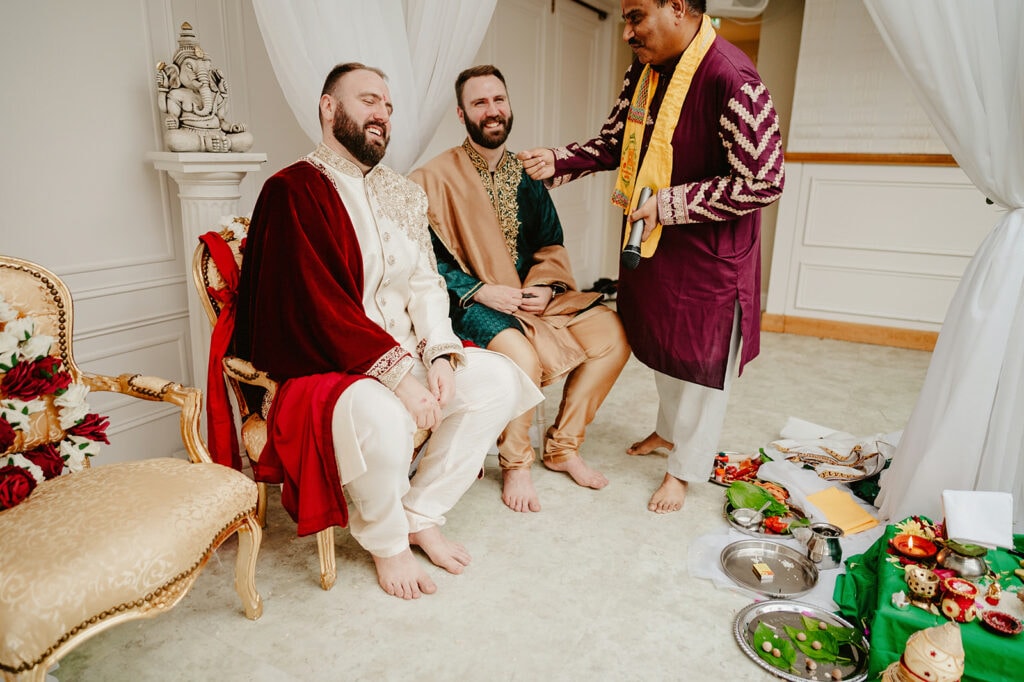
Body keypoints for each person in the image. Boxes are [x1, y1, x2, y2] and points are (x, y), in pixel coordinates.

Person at [232, 63, 542, 599]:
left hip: (404, 351)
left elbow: (425, 284)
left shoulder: (403, 193)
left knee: (498, 380)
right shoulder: (292, 190)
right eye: (369, 101)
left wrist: (441, 354)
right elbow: (313, 302)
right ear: (329, 108)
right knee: (382, 417)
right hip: (333, 362)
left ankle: (421, 512)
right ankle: (388, 542)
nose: (382, 115)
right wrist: (401, 378)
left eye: (389, 106)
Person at [518, 0, 785, 514]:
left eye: (636, 16)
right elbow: (618, 141)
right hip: (654, 244)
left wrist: (668, 204)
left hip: (710, 255)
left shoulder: (734, 79)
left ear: (679, 9)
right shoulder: (644, 71)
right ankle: (668, 433)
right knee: (666, 347)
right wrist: (559, 160)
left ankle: (684, 470)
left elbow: (764, 180)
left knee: (703, 366)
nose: (627, 32)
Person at [410, 66, 631, 514]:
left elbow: (550, 242)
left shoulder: (528, 173)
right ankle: (516, 462)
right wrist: (479, 290)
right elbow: (423, 262)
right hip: (469, 302)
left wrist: (547, 286)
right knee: (523, 357)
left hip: (531, 298)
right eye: (479, 103)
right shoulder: (431, 179)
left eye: (498, 100)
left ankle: (564, 446)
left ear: (509, 106)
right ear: (461, 113)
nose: (492, 111)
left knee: (612, 333)